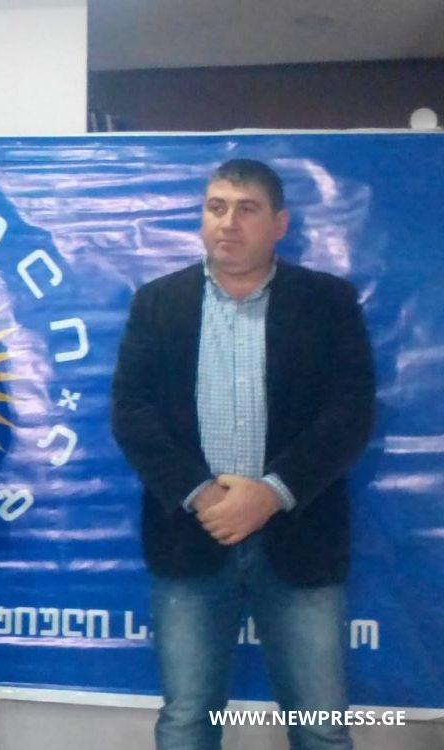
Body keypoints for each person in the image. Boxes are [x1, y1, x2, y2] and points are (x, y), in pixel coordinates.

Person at [112, 159, 375, 750]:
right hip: (190, 536)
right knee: (187, 721)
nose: (228, 222)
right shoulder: (157, 303)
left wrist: (271, 494)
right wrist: (204, 495)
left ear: (280, 224)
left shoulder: (327, 302)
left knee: (321, 726)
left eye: (247, 209)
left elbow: (350, 412)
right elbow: (131, 413)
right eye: (216, 208)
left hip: (300, 537)